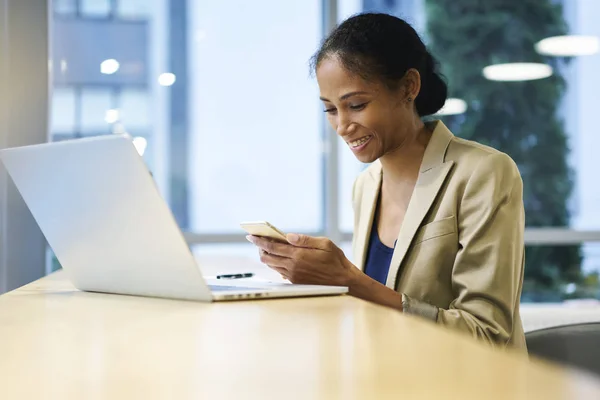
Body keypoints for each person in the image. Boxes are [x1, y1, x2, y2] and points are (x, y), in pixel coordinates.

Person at [247, 12, 526, 351]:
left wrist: (348, 279)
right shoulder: (365, 187)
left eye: (357, 105)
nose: (342, 126)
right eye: (331, 110)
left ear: (409, 86)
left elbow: (487, 336)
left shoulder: (484, 172)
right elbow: (377, 312)